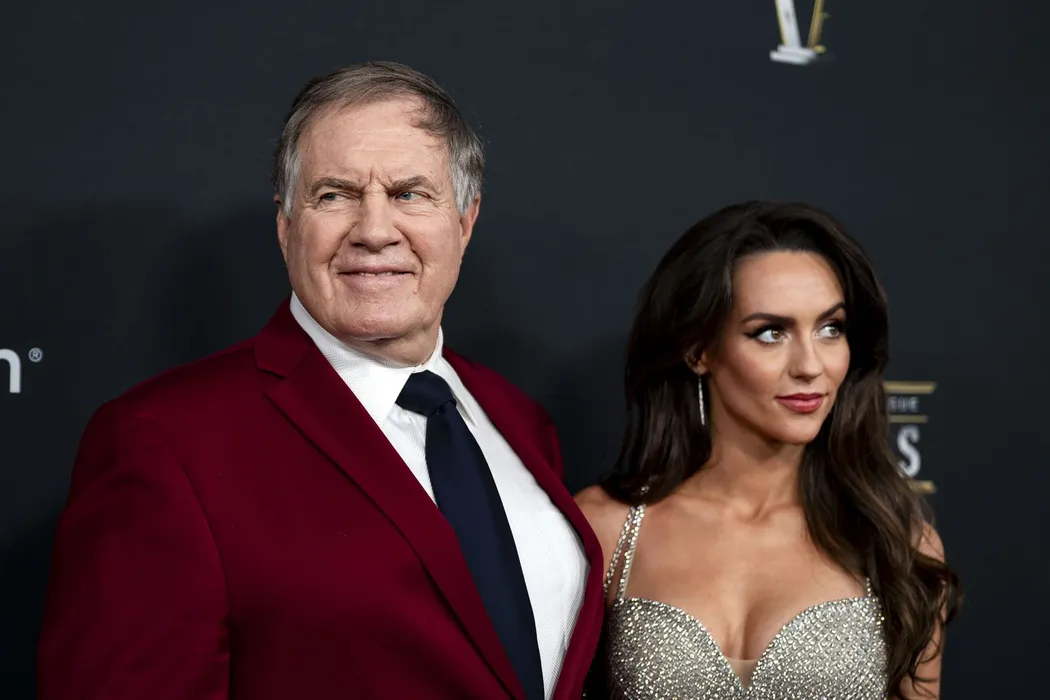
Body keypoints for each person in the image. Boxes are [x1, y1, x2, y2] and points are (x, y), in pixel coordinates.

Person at [38, 61, 604, 700]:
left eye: (409, 193)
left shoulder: (519, 419)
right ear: (286, 225)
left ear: (465, 221)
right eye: (334, 195)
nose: (374, 231)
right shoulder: (163, 440)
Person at [576, 201, 960, 699]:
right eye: (771, 333)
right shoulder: (606, 531)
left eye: (830, 328)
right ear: (698, 350)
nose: (810, 365)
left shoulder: (896, 544)